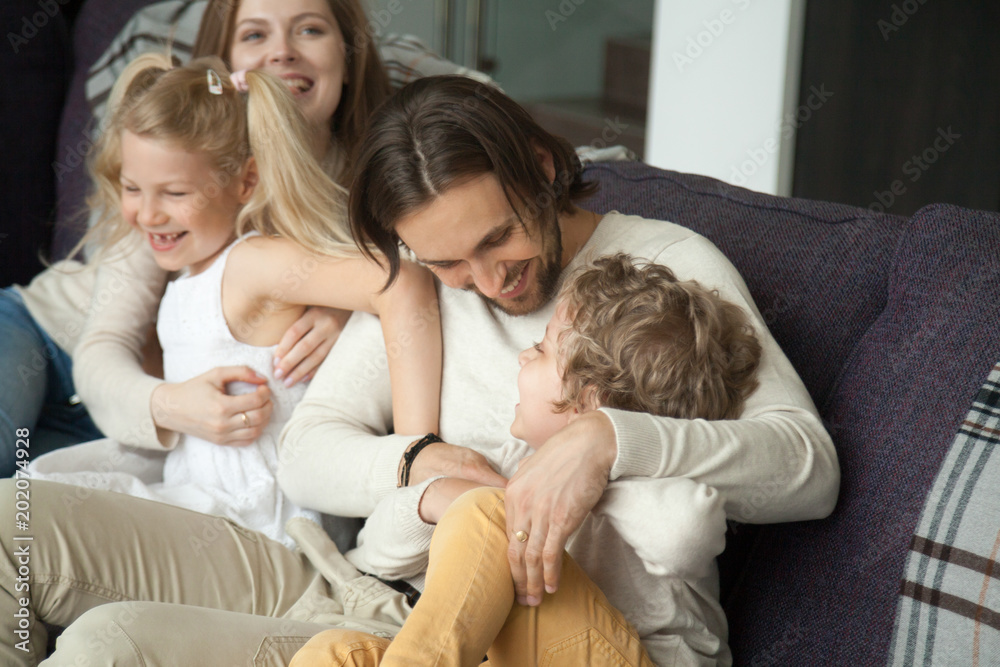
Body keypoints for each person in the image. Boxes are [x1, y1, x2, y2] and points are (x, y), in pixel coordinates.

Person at [0, 76, 837, 666]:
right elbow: (308, 452)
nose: (487, 281)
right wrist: (418, 466)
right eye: (447, 263)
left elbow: (807, 467)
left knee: (108, 647)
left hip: (481, 632)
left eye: (497, 239)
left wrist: (605, 438)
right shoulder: (426, 272)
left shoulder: (666, 267)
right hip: (348, 578)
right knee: (12, 518)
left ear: (543, 172)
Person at [0, 0, 487, 473]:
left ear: (349, 52)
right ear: (227, 62)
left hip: (156, 435)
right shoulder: (184, 157)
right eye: (255, 34)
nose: (281, 52)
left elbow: (495, 133)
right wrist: (172, 405)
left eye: (310, 30)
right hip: (50, 338)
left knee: (20, 509)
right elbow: (103, 345)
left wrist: (350, 309)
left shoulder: (384, 171)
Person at [291, 252, 762, 665]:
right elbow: (378, 553)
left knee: (489, 516)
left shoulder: (649, 477)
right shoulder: (517, 460)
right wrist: (432, 500)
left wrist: (593, 482)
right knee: (332, 655)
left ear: (589, 402)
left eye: (540, 350)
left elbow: (687, 529)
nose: (521, 356)